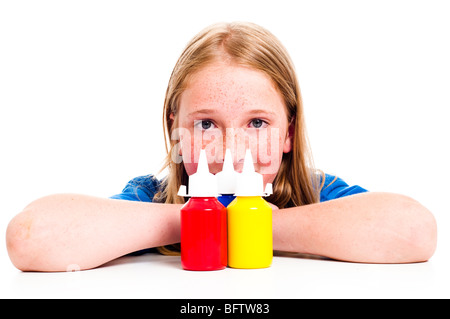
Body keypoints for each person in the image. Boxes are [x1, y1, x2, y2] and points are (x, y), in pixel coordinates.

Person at [6, 22, 437, 272]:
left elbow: (416, 231)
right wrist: (192, 221)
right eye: (207, 123)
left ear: (288, 133)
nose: (230, 150)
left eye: (257, 123)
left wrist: (259, 225)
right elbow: (30, 238)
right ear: (176, 130)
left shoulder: (317, 194)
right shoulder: (149, 200)